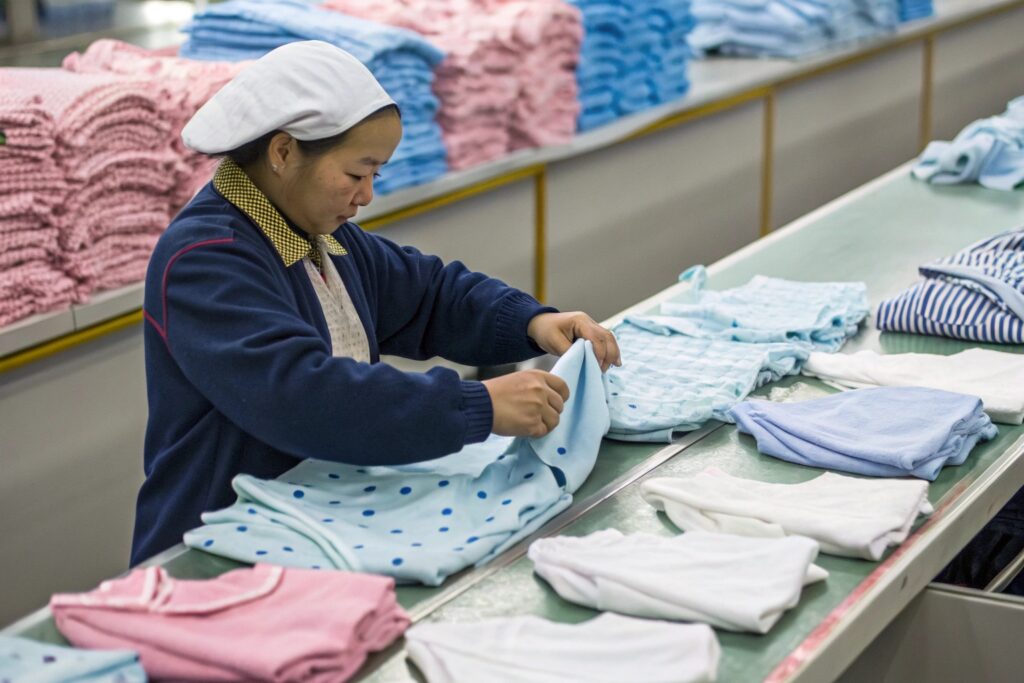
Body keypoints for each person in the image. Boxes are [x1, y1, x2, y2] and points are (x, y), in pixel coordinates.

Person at [131, 41, 620, 565]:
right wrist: (479, 405)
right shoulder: (205, 261)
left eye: (376, 176)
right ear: (283, 153)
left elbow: (431, 295)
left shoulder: (321, 237)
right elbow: (306, 397)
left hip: (303, 523)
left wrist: (532, 321)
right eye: (355, 174)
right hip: (215, 542)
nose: (366, 196)